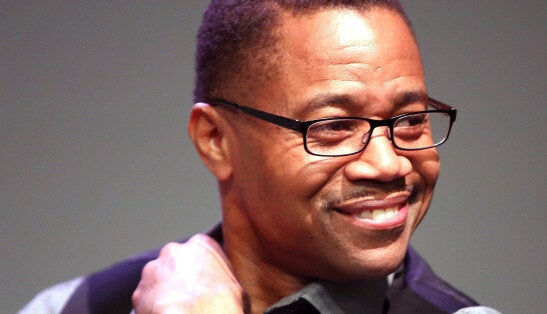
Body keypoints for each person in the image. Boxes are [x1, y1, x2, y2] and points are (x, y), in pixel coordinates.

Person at [21, 1, 500, 313]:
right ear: (215, 140)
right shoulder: (71, 307)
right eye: (332, 126)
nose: (390, 163)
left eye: (411, 120)